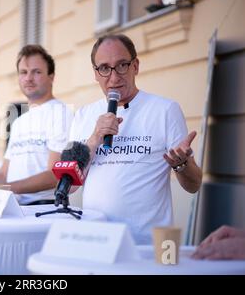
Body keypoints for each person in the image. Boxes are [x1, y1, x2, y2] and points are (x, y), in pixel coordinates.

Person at [68, 34, 202, 244]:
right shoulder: (83, 116)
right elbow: (69, 186)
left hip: (153, 244)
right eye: (104, 68)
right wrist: (94, 139)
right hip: (96, 241)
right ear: (95, 73)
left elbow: (194, 185)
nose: (113, 77)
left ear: (135, 66)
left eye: (122, 65)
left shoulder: (165, 110)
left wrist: (182, 165)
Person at [0, 45, 73, 205]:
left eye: (37, 72)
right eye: (23, 72)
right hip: (12, 205)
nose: (28, 78)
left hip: (43, 208)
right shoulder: (19, 121)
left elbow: (55, 174)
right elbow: (4, 174)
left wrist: (6, 188)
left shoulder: (61, 114)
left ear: (52, 77)